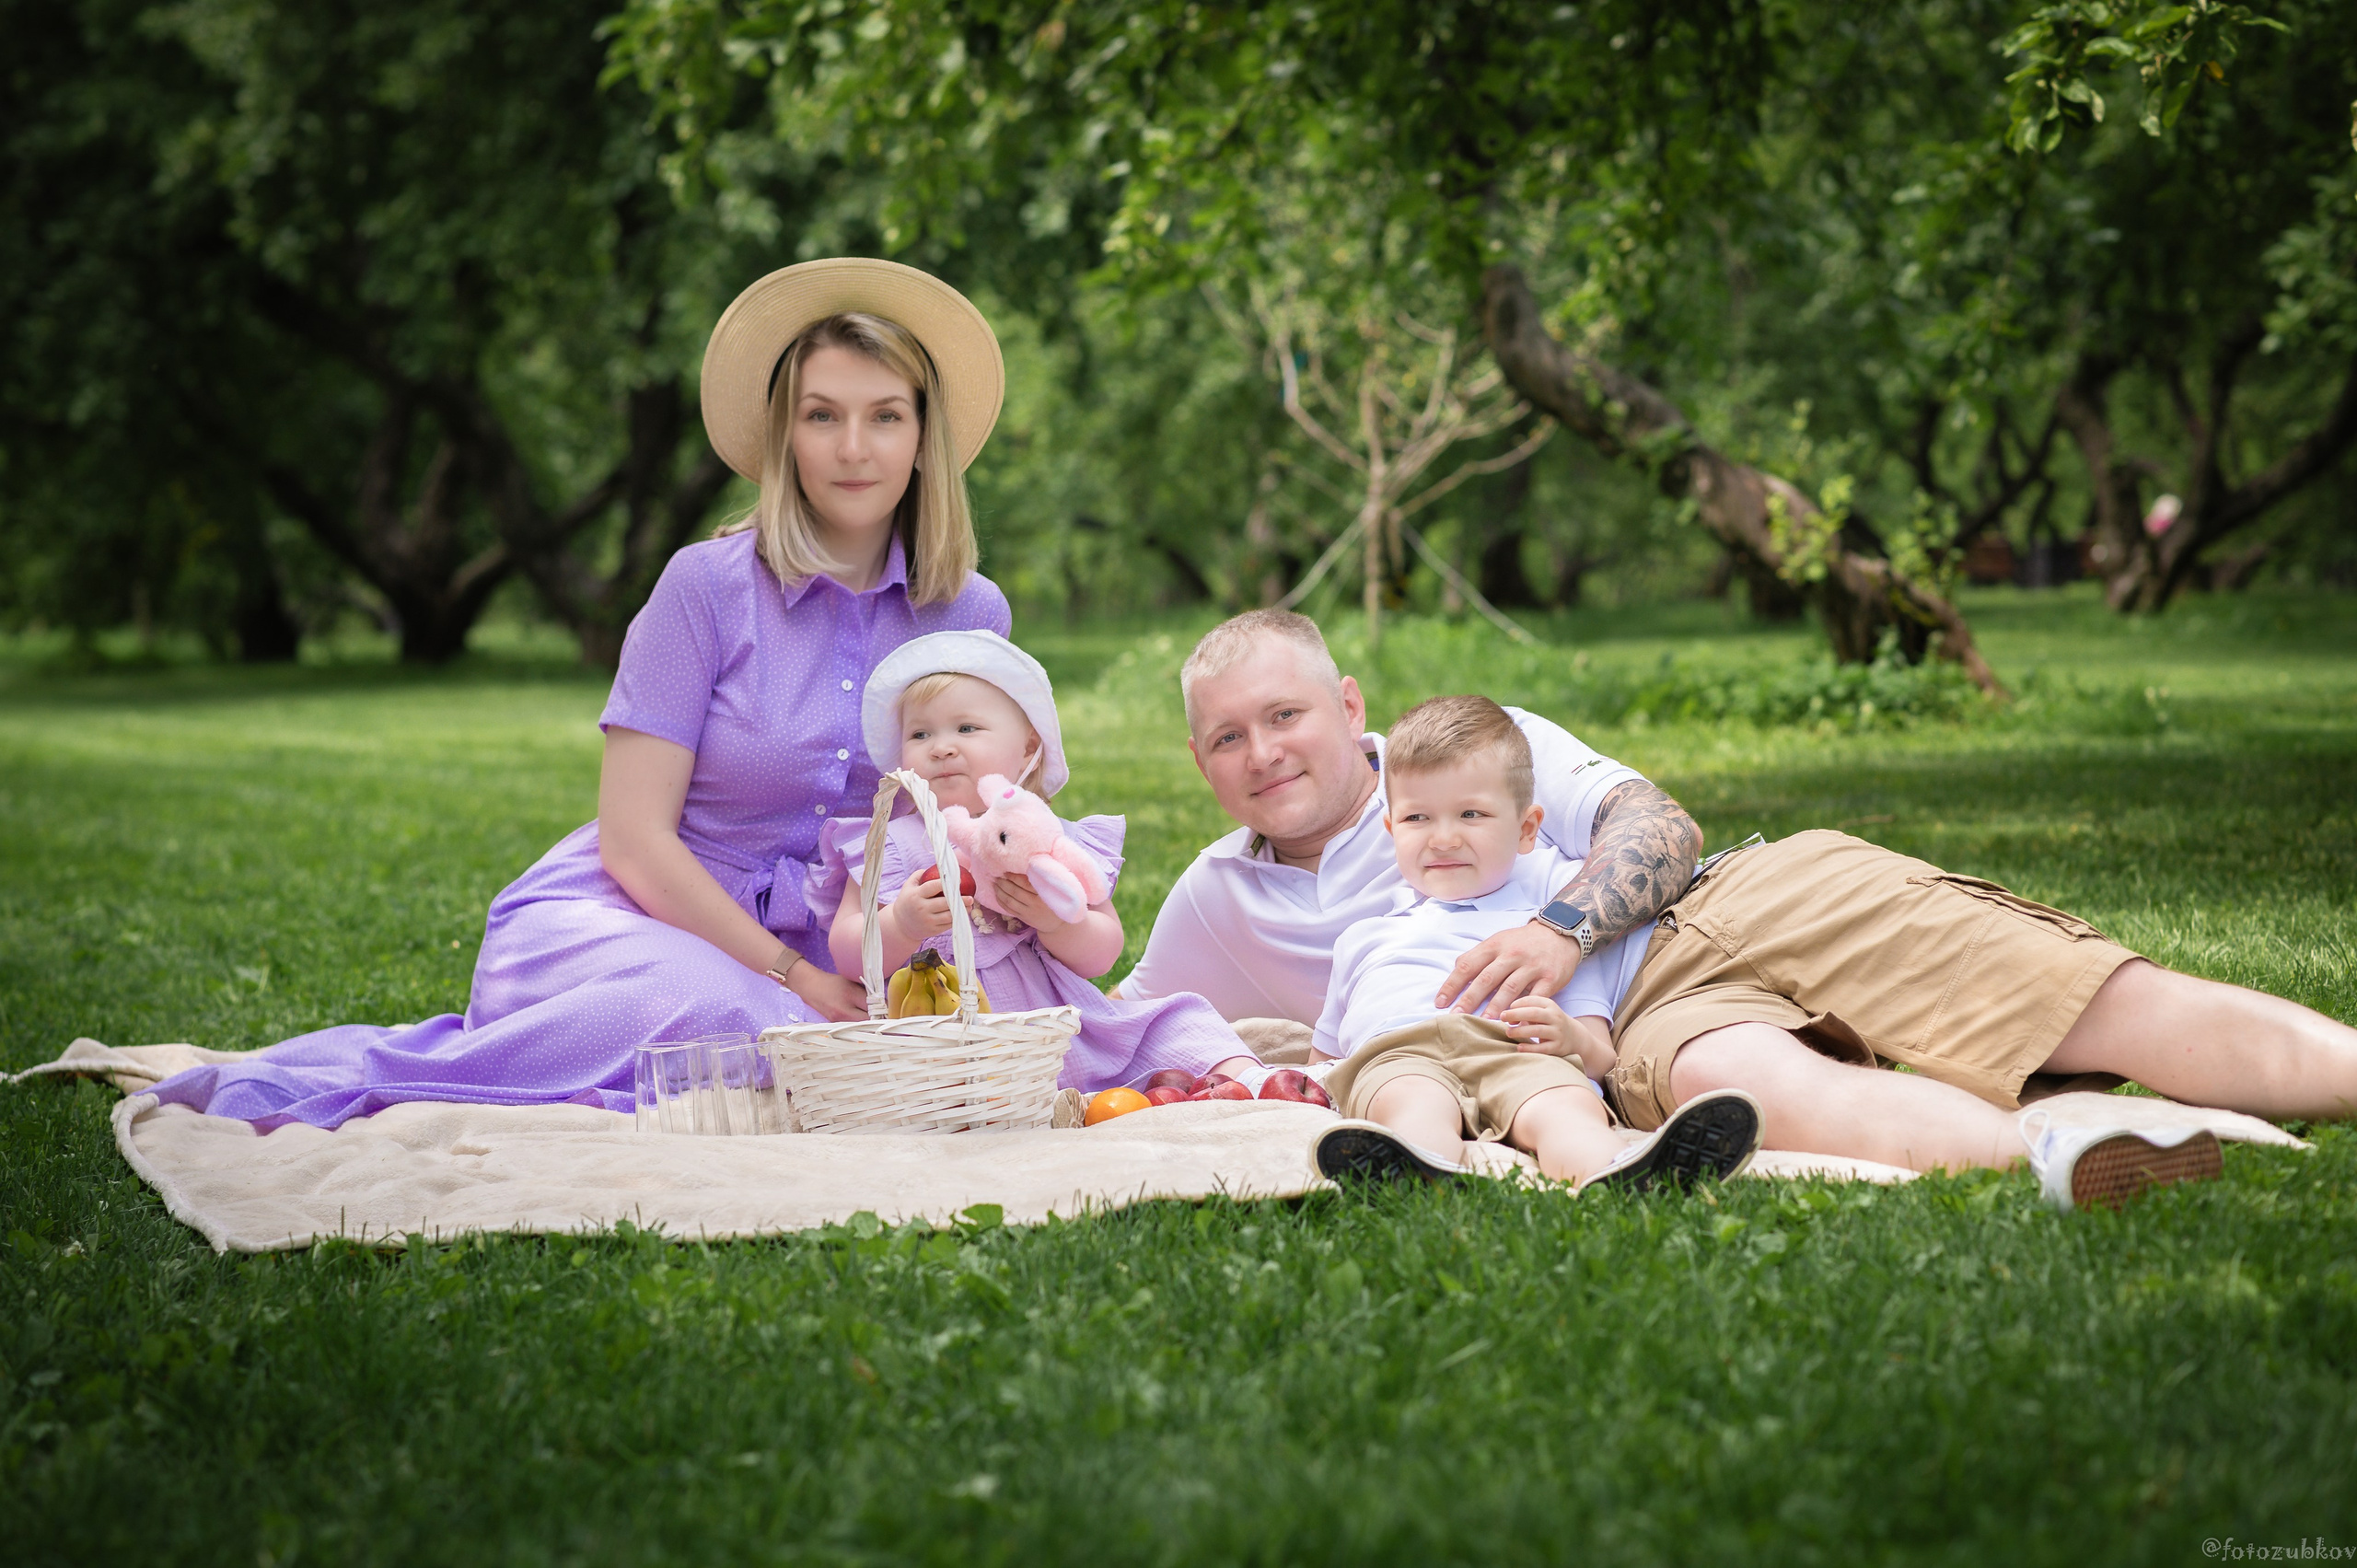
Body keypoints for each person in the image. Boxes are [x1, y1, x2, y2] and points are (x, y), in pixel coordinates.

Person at [147, 260, 1016, 1128]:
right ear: (784, 436)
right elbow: (634, 842)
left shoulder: (972, 614)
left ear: (922, 435)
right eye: (821, 415)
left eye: (885, 416)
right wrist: (795, 979)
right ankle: (384, 1074)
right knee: (739, 1022)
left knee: (990, 1029)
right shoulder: (704, 589)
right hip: (634, 923)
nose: (853, 447)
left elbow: (971, 826)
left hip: (851, 937)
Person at [1122, 609, 2357, 1200]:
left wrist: (1556, 931)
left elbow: (1661, 827)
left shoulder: (1469, 749)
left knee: (2101, 1004)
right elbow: (1116, 1016)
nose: (1265, 750)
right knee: (1792, 1098)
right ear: (1200, 761)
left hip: (1739, 896)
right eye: (1228, 735)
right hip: (1646, 1022)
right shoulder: (1218, 897)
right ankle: (2079, 1150)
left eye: (1285, 713)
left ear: (1347, 705)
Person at [1307, 695, 1764, 1191]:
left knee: (1563, 1109)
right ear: (1392, 829)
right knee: (1409, 1104)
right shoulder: (1362, 938)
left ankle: (1614, 1169)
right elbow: (1320, 1064)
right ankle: (1418, 1169)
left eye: (1471, 814)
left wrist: (1567, 1038)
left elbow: (1601, 1056)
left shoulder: (1551, 925)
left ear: (1526, 829)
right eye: (1418, 819)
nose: (1442, 839)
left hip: (1521, 1051)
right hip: (1400, 1053)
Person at [809, 628, 1263, 1093]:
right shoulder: (891, 844)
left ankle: (1254, 1084)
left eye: (966, 728)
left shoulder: (1047, 837)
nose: (941, 746)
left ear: (1028, 747)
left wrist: (1058, 922)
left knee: (1179, 1021)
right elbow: (847, 951)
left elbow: (1104, 950)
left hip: (1054, 1030)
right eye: (920, 733)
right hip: (941, 1046)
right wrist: (901, 924)